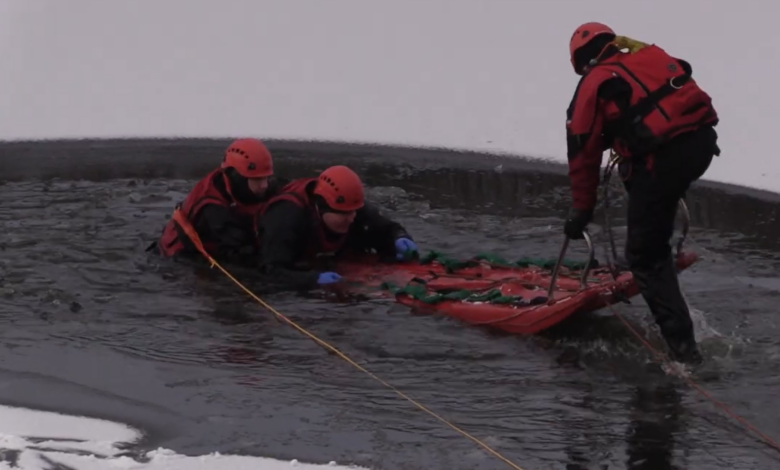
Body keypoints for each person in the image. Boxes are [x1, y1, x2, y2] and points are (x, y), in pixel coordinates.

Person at [563, 22, 721, 365]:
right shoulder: (645, 56)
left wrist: (581, 211)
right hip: (702, 145)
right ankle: (654, 252)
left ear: (581, 62)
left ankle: (684, 354)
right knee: (647, 200)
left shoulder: (593, 84)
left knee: (645, 256)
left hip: (665, 158)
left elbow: (582, 153)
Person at [258, 165, 418, 290]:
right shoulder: (286, 217)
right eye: (343, 214)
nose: (351, 219)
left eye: (353, 212)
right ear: (322, 208)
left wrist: (400, 237)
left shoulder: (352, 207)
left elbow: (387, 228)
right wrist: (312, 280)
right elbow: (272, 271)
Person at [153, 138, 288, 264]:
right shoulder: (213, 209)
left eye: (266, 178)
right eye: (257, 180)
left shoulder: (237, 181)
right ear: (236, 177)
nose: (264, 185)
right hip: (179, 257)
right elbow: (244, 249)